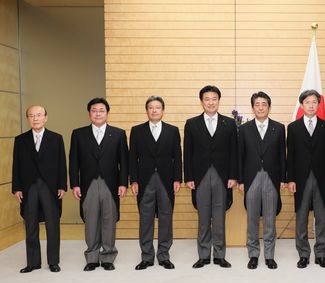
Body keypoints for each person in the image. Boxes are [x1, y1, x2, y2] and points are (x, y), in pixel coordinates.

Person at [69, 97, 128, 271]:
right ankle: (92, 257)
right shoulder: (78, 134)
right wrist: (75, 184)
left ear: (107, 113)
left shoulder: (118, 134)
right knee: (91, 221)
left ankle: (108, 256)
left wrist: (123, 183)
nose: (98, 113)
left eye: (101, 110)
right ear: (89, 113)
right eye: (94, 110)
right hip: (88, 184)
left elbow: (124, 162)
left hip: (111, 184)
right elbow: (74, 162)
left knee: (109, 220)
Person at [183, 85, 238, 268]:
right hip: (200, 176)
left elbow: (233, 152)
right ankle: (204, 255)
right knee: (203, 217)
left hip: (222, 176)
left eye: (214, 99)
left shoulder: (229, 124)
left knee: (219, 217)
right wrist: (189, 177)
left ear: (218, 101)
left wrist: (233, 176)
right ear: (202, 101)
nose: (211, 102)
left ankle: (220, 255)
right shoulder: (191, 124)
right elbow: (188, 153)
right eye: (207, 99)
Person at [129, 96, 182, 270]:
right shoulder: (137, 131)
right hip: (144, 181)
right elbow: (132, 159)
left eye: (157, 107)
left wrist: (177, 179)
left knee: (166, 218)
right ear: (147, 110)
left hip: (166, 181)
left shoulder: (172, 131)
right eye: (151, 107)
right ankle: (147, 257)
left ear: (162, 110)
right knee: (145, 219)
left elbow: (177, 157)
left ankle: (164, 255)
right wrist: (134, 180)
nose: (154, 110)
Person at [12, 105, 67, 273]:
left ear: (46, 117)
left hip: (50, 188)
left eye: (39, 115)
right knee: (30, 225)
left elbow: (61, 164)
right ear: (27, 118)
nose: (35, 118)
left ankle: (53, 262)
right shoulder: (20, 140)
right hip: (29, 188)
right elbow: (17, 166)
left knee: (52, 225)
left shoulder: (56, 138)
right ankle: (33, 262)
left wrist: (62, 185)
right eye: (31, 115)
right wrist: (17, 188)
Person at [287, 89, 325, 269]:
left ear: (318, 104)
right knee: (301, 217)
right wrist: (290, 179)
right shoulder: (292, 127)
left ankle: (320, 254)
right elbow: (289, 156)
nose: (311, 105)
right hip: (300, 179)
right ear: (302, 105)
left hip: (322, 179)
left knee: (321, 217)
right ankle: (303, 254)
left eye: (314, 102)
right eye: (307, 102)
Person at [238, 92, 286, 270]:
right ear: (253, 107)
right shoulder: (244, 129)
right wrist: (241, 180)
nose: (260, 107)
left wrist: (283, 179)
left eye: (263, 104)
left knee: (269, 219)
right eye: (257, 104)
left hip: (272, 178)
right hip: (251, 178)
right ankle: (253, 255)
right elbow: (240, 156)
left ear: (269, 107)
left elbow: (283, 155)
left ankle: (269, 255)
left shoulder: (279, 128)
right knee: (252, 219)